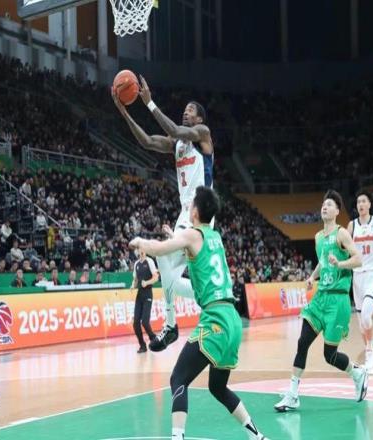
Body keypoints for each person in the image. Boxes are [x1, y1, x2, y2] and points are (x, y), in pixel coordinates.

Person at [129, 186, 268, 440]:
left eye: (191, 203)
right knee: (218, 387)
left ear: (194, 211)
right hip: (233, 320)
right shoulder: (214, 236)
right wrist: (174, 236)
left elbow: (159, 249)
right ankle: (256, 435)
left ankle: (177, 437)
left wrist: (140, 242)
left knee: (178, 379)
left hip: (215, 320)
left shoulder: (192, 235)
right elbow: (193, 250)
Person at [113, 76, 214, 352]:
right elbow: (147, 141)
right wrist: (124, 112)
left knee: (163, 257)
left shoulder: (202, 134)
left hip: (202, 211)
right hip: (185, 213)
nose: (186, 112)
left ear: (200, 118)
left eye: (191, 110)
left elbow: (177, 130)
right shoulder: (177, 144)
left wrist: (149, 103)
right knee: (168, 273)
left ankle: (178, 320)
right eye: (185, 109)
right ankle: (191, 312)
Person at [275, 190, 368, 412]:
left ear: (337, 211)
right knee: (302, 342)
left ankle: (357, 372)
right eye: (323, 204)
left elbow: (358, 259)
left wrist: (340, 264)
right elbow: (323, 261)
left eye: (329, 205)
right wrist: (312, 277)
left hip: (338, 301)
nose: (324, 207)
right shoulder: (318, 237)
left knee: (329, 355)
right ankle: (293, 394)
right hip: (320, 299)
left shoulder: (342, 234)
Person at [347, 191, 373, 374]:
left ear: (370, 204)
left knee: (366, 316)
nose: (361, 204)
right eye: (358, 202)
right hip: (357, 277)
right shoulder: (351, 226)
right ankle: (369, 354)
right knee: (361, 323)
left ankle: (370, 352)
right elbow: (344, 249)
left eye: (364, 201)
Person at [130, 249, 158, 353]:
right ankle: (142, 345)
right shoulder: (136, 264)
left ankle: (153, 338)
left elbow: (156, 277)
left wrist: (147, 282)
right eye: (139, 250)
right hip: (139, 295)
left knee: (145, 322)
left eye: (142, 249)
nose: (141, 252)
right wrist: (133, 285)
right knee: (135, 323)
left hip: (148, 294)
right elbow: (135, 279)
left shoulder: (149, 261)